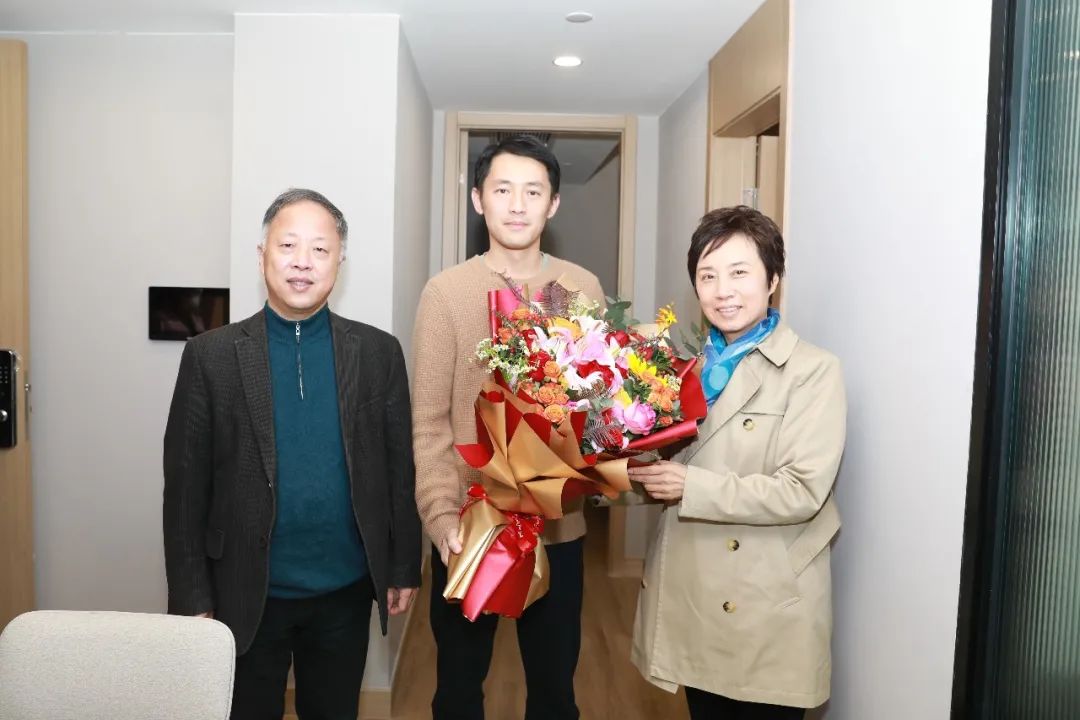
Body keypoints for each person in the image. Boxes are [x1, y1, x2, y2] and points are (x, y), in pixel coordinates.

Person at [163, 188, 421, 720]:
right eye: (288, 245)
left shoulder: (378, 353)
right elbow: (185, 491)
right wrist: (192, 596)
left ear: (339, 262)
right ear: (262, 255)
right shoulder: (211, 356)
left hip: (345, 591)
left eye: (320, 249)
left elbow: (400, 471)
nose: (303, 261)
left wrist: (403, 566)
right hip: (244, 592)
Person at [411, 134, 604, 720]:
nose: (517, 205)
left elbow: (599, 409)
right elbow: (429, 421)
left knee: (554, 691)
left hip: (558, 528)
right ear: (478, 200)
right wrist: (442, 518)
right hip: (470, 528)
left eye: (533, 191)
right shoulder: (446, 293)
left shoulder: (581, 289)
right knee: (458, 689)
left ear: (554, 204)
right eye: (502, 190)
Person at [628, 206, 847, 720]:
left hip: (764, 601)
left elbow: (802, 491)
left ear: (773, 280)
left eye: (739, 272)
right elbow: (662, 464)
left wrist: (689, 485)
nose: (722, 290)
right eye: (708, 276)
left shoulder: (813, 370)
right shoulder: (681, 366)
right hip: (693, 593)